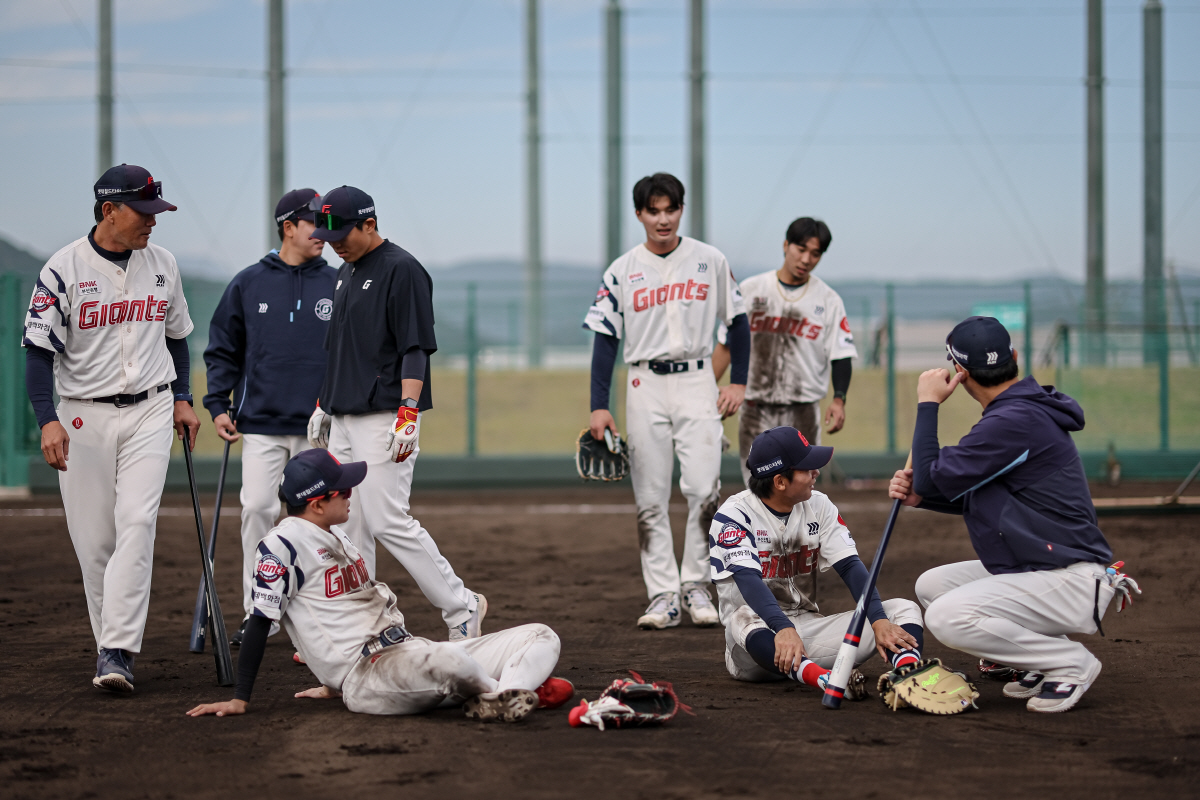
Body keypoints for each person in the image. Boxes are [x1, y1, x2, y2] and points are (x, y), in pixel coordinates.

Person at [186, 449, 574, 721]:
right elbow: (259, 620)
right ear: (317, 503)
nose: (352, 494)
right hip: (368, 675)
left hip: (408, 652)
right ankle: (509, 690)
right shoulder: (282, 544)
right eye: (344, 491)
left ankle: (505, 695)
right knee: (453, 660)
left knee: (541, 635)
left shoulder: (337, 534)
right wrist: (240, 698)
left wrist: (326, 681)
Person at [887, 316, 1128, 713]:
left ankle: (1070, 663)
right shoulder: (1020, 412)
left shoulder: (1014, 419)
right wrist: (920, 498)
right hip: (1047, 568)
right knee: (933, 585)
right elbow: (970, 492)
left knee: (947, 616)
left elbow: (929, 477)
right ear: (1013, 357)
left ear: (960, 373)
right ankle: (1037, 662)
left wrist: (928, 403)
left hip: (1069, 579)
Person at [22, 163, 198, 693]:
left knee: (137, 523)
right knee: (95, 542)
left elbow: (178, 337)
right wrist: (47, 419)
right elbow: (36, 352)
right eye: (143, 212)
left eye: (155, 212)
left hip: (150, 408)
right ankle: (109, 651)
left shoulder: (162, 262)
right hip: (82, 415)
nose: (152, 222)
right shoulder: (62, 269)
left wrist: (184, 398)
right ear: (108, 211)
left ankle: (119, 648)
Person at [305, 185, 485, 641]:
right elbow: (339, 349)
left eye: (344, 233)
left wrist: (408, 409)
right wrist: (324, 404)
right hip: (344, 415)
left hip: (385, 415)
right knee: (352, 525)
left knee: (387, 519)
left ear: (370, 224)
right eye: (329, 236)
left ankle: (461, 607)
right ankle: (368, 624)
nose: (336, 243)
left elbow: (415, 347)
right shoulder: (345, 272)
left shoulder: (401, 269)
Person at [583, 172, 750, 630]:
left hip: (698, 380)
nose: (663, 219)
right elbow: (604, 338)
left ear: (681, 211)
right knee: (650, 496)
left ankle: (696, 583)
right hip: (643, 385)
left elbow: (737, 322)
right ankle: (662, 594)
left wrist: (738, 382)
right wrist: (600, 404)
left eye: (670, 209)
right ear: (639, 214)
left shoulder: (710, 260)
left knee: (703, 488)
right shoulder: (622, 269)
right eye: (652, 211)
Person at [203, 188, 336, 644]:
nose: (322, 233)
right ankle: (257, 613)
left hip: (320, 427)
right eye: (313, 223)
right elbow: (223, 349)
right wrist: (217, 403)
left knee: (319, 523)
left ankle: (320, 617)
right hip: (259, 422)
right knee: (258, 509)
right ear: (288, 227)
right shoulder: (247, 282)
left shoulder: (337, 282)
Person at [710, 426, 924, 698]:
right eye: (807, 468)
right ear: (779, 482)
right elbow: (749, 583)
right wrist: (783, 628)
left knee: (902, 610)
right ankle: (827, 680)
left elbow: (849, 566)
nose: (816, 473)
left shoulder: (819, 505)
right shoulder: (734, 516)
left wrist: (878, 620)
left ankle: (909, 677)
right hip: (754, 648)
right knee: (741, 615)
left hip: (808, 634)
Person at [712, 218, 857, 485]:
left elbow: (841, 354)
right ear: (785, 245)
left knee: (802, 487)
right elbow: (726, 345)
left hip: (802, 410)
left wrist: (839, 399)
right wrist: (706, 393)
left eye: (815, 253)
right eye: (800, 249)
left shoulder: (828, 299)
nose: (806, 259)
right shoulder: (751, 290)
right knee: (758, 488)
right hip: (756, 408)